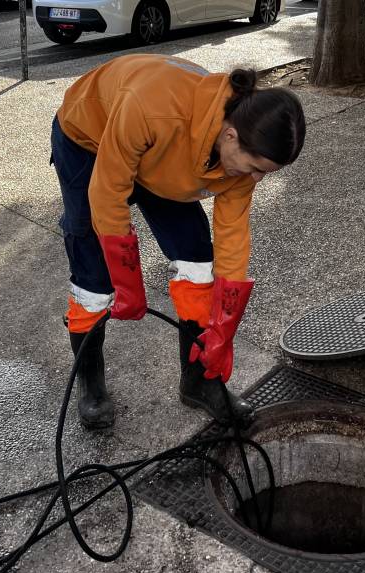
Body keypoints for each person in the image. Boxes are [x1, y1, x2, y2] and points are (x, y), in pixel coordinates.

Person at [51, 53, 305, 429]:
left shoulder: (239, 155)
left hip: (166, 155)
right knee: (94, 273)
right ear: (231, 136)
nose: (255, 180)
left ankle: (199, 382)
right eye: (255, 169)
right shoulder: (152, 108)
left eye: (264, 173)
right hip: (89, 138)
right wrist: (127, 282)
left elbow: (233, 241)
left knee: (198, 260)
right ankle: (91, 383)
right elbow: (108, 194)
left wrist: (224, 327)